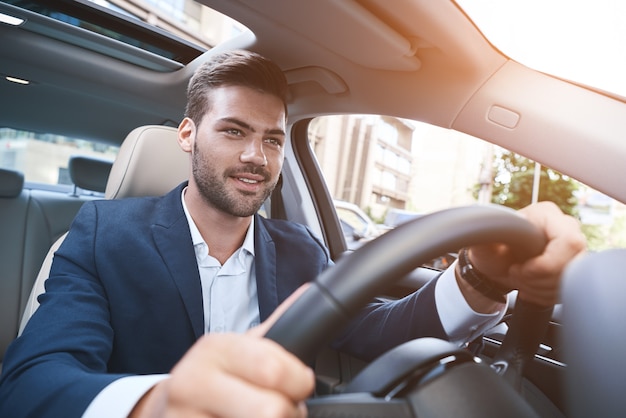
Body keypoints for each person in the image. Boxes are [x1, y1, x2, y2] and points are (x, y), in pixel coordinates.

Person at [0, 50, 586, 418]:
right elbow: (32, 384)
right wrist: (156, 405)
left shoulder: (297, 247)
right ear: (187, 135)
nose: (257, 156)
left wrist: (480, 277)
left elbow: (382, 329)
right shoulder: (104, 233)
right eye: (233, 131)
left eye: (273, 139)